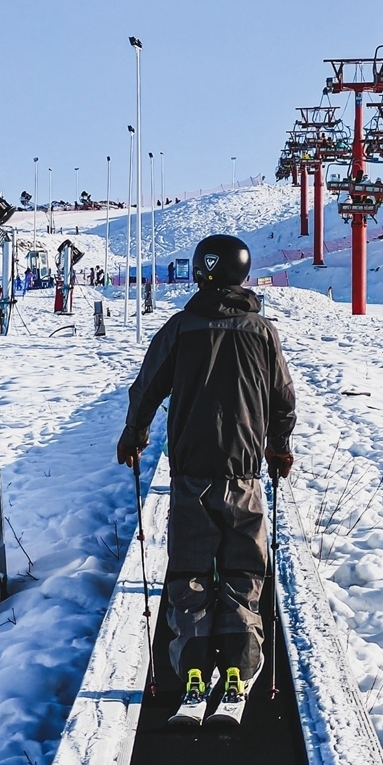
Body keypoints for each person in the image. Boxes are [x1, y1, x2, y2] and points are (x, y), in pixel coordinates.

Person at [116, 234, 296, 728]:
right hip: (242, 476)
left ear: (200, 271)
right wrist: (279, 447)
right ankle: (238, 671)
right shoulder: (261, 331)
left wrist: (135, 435)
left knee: (189, 572)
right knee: (244, 573)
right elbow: (283, 397)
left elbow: (146, 386)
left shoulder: (180, 329)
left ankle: (193, 671)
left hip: (190, 474)